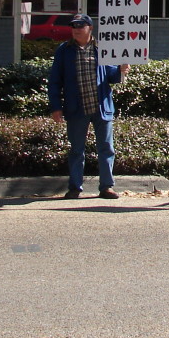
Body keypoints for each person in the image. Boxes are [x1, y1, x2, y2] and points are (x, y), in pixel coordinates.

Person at [48, 13, 130, 199]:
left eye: (81, 26)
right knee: (76, 149)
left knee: (106, 147)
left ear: (90, 28)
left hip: (101, 107)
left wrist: (121, 70)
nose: (76, 29)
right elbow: (55, 81)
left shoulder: (103, 48)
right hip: (76, 108)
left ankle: (106, 186)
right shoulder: (64, 50)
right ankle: (75, 187)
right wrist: (55, 107)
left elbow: (112, 76)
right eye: (74, 26)